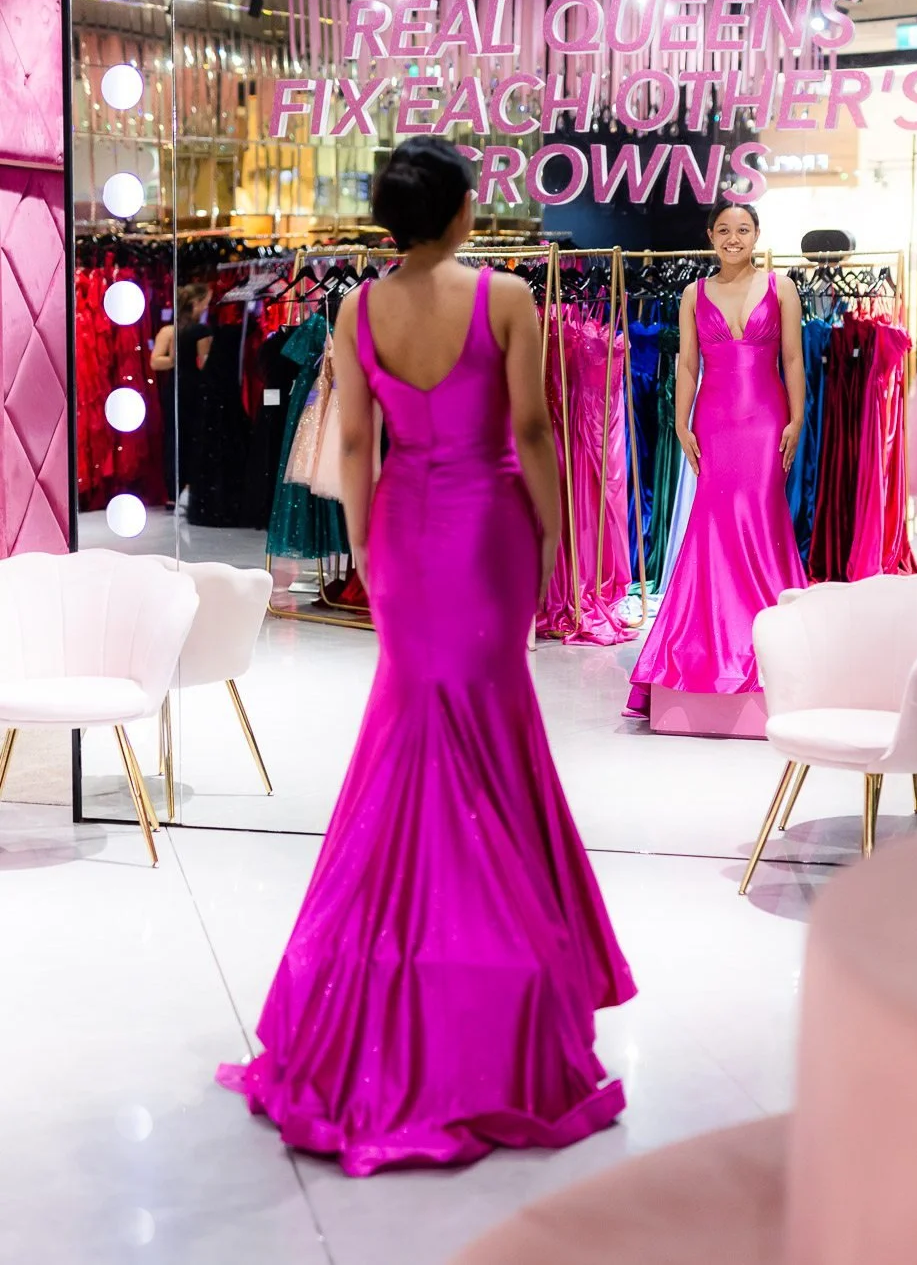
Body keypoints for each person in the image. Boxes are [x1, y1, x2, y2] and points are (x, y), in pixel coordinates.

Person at [217, 136, 635, 1176]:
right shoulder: (506, 299)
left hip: (402, 528)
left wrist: (365, 541)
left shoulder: (358, 310)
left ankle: (394, 960)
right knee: (491, 734)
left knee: (409, 734)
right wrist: (554, 535)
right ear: (458, 209)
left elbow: (356, 448)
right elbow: (533, 432)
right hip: (491, 524)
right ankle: (499, 968)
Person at [626, 199, 807, 717]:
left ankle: (775, 649)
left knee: (762, 520)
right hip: (715, 419)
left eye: (743, 229)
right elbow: (686, 364)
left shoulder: (783, 288)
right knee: (713, 525)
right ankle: (708, 644)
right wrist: (681, 423)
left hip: (767, 419)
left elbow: (792, 357)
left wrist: (798, 419)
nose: (733, 238)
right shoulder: (692, 292)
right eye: (724, 230)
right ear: (710, 236)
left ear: (757, 235)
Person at [150, 283, 211, 508]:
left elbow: (156, 361)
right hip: (191, 386)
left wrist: (175, 359)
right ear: (195, 304)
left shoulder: (171, 331)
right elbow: (204, 363)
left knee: (176, 436)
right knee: (190, 436)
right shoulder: (199, 331)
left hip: (176, 386)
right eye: (205, 303)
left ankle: (175, 491)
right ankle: (185, 488)